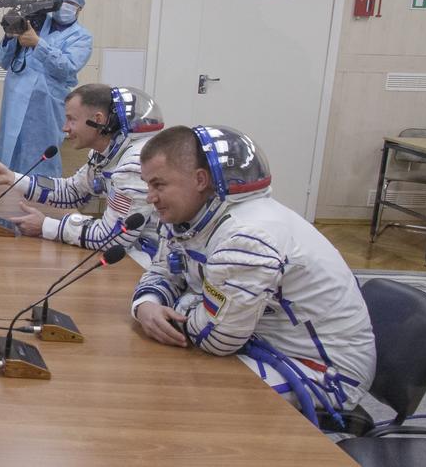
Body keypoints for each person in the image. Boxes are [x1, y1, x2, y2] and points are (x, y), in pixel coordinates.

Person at [131, 125, 375, 425]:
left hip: (323, 371)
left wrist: (183, 304)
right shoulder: (191, 216)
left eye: (158, 185)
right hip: (262, 343)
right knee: (156, 376)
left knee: (179, 392)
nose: (150, 197)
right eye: (148, 185)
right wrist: (147, 304)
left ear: (200, 180)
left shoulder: (248, 236)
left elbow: (216, 339)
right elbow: (163, 271)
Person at [0, 85, 163, 253]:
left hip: (143, 261)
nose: (65, 128)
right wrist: (12, 178)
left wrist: (46, 226)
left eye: (71, 119)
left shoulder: (134, 165)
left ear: (98, 119)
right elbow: (72, 191)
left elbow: (112, 237)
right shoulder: (109, 154)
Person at [0, 0, 92, 176]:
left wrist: (37, 43)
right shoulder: (35, 22)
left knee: (40, 161)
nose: (65, 6)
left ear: (80, 8)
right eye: (61, 0)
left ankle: (43, 196)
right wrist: (9, 36)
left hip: (45, 107)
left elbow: (67, 68)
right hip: (15, 102)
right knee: (9, 156)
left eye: (71, 3)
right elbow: (4, 61)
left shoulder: (82, 37)